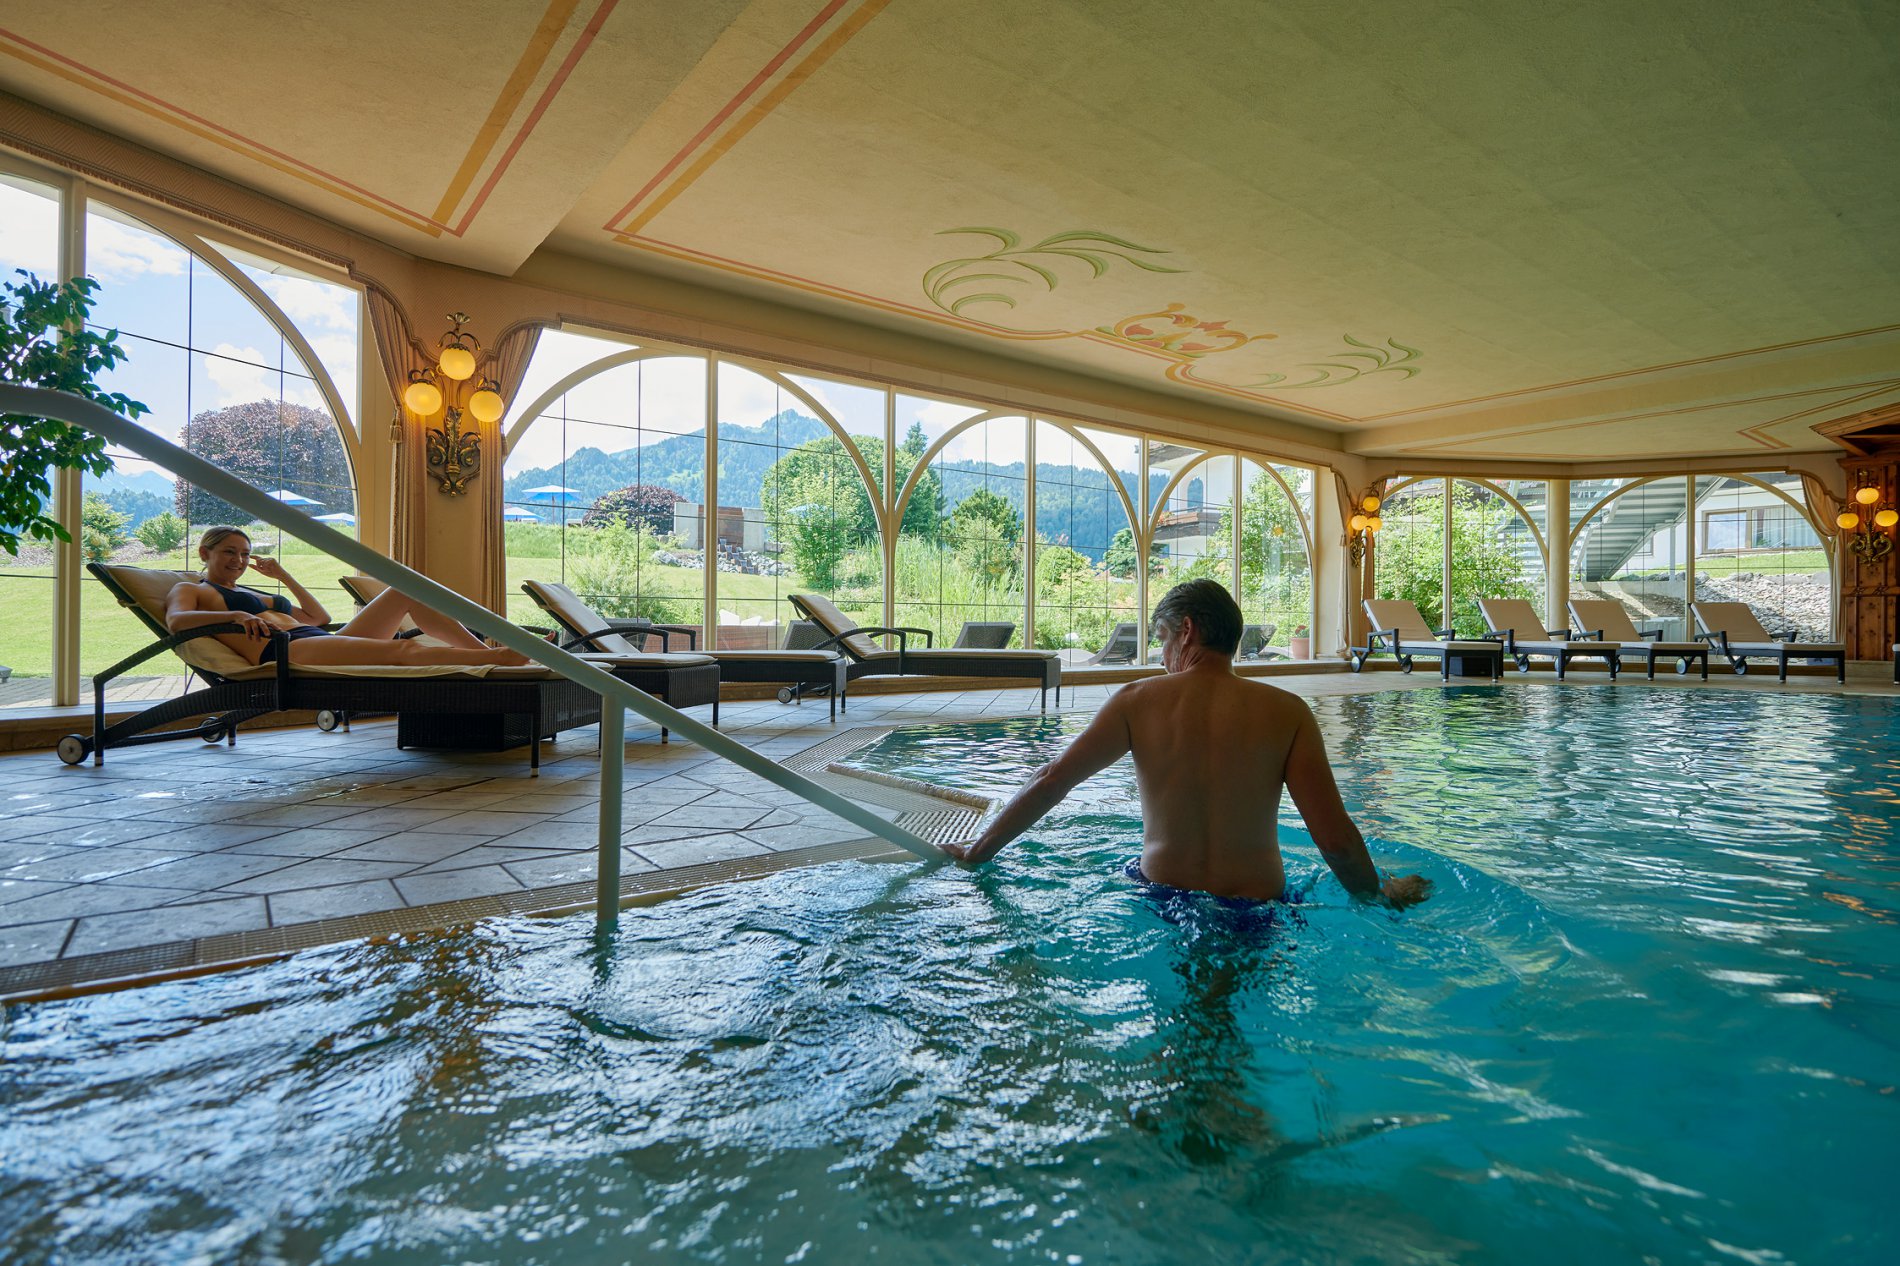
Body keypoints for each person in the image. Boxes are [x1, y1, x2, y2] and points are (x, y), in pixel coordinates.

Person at [941, 579, 1431, 909]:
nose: (1162, 656)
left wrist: (979, 849)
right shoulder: (1289, 712)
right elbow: (1335, 839)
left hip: (1165, 898)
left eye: (1162, 638)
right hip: (1259, 906)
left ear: (1187, 630)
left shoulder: (1136, 701)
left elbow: (1052, 782)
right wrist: (1378, 893)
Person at [164, 525, 531, 668]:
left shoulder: (250, 591)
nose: (239, 560)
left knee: (405, 591)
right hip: (286, 652)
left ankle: (489, 655)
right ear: (205, 554)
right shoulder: (192, 589)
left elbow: (319, 618)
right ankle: (497, 658)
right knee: (401, 650)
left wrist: (282, 576)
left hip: (315, 638)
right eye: (229, 552)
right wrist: (236, 616)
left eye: (244, 554)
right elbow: (177, 621)